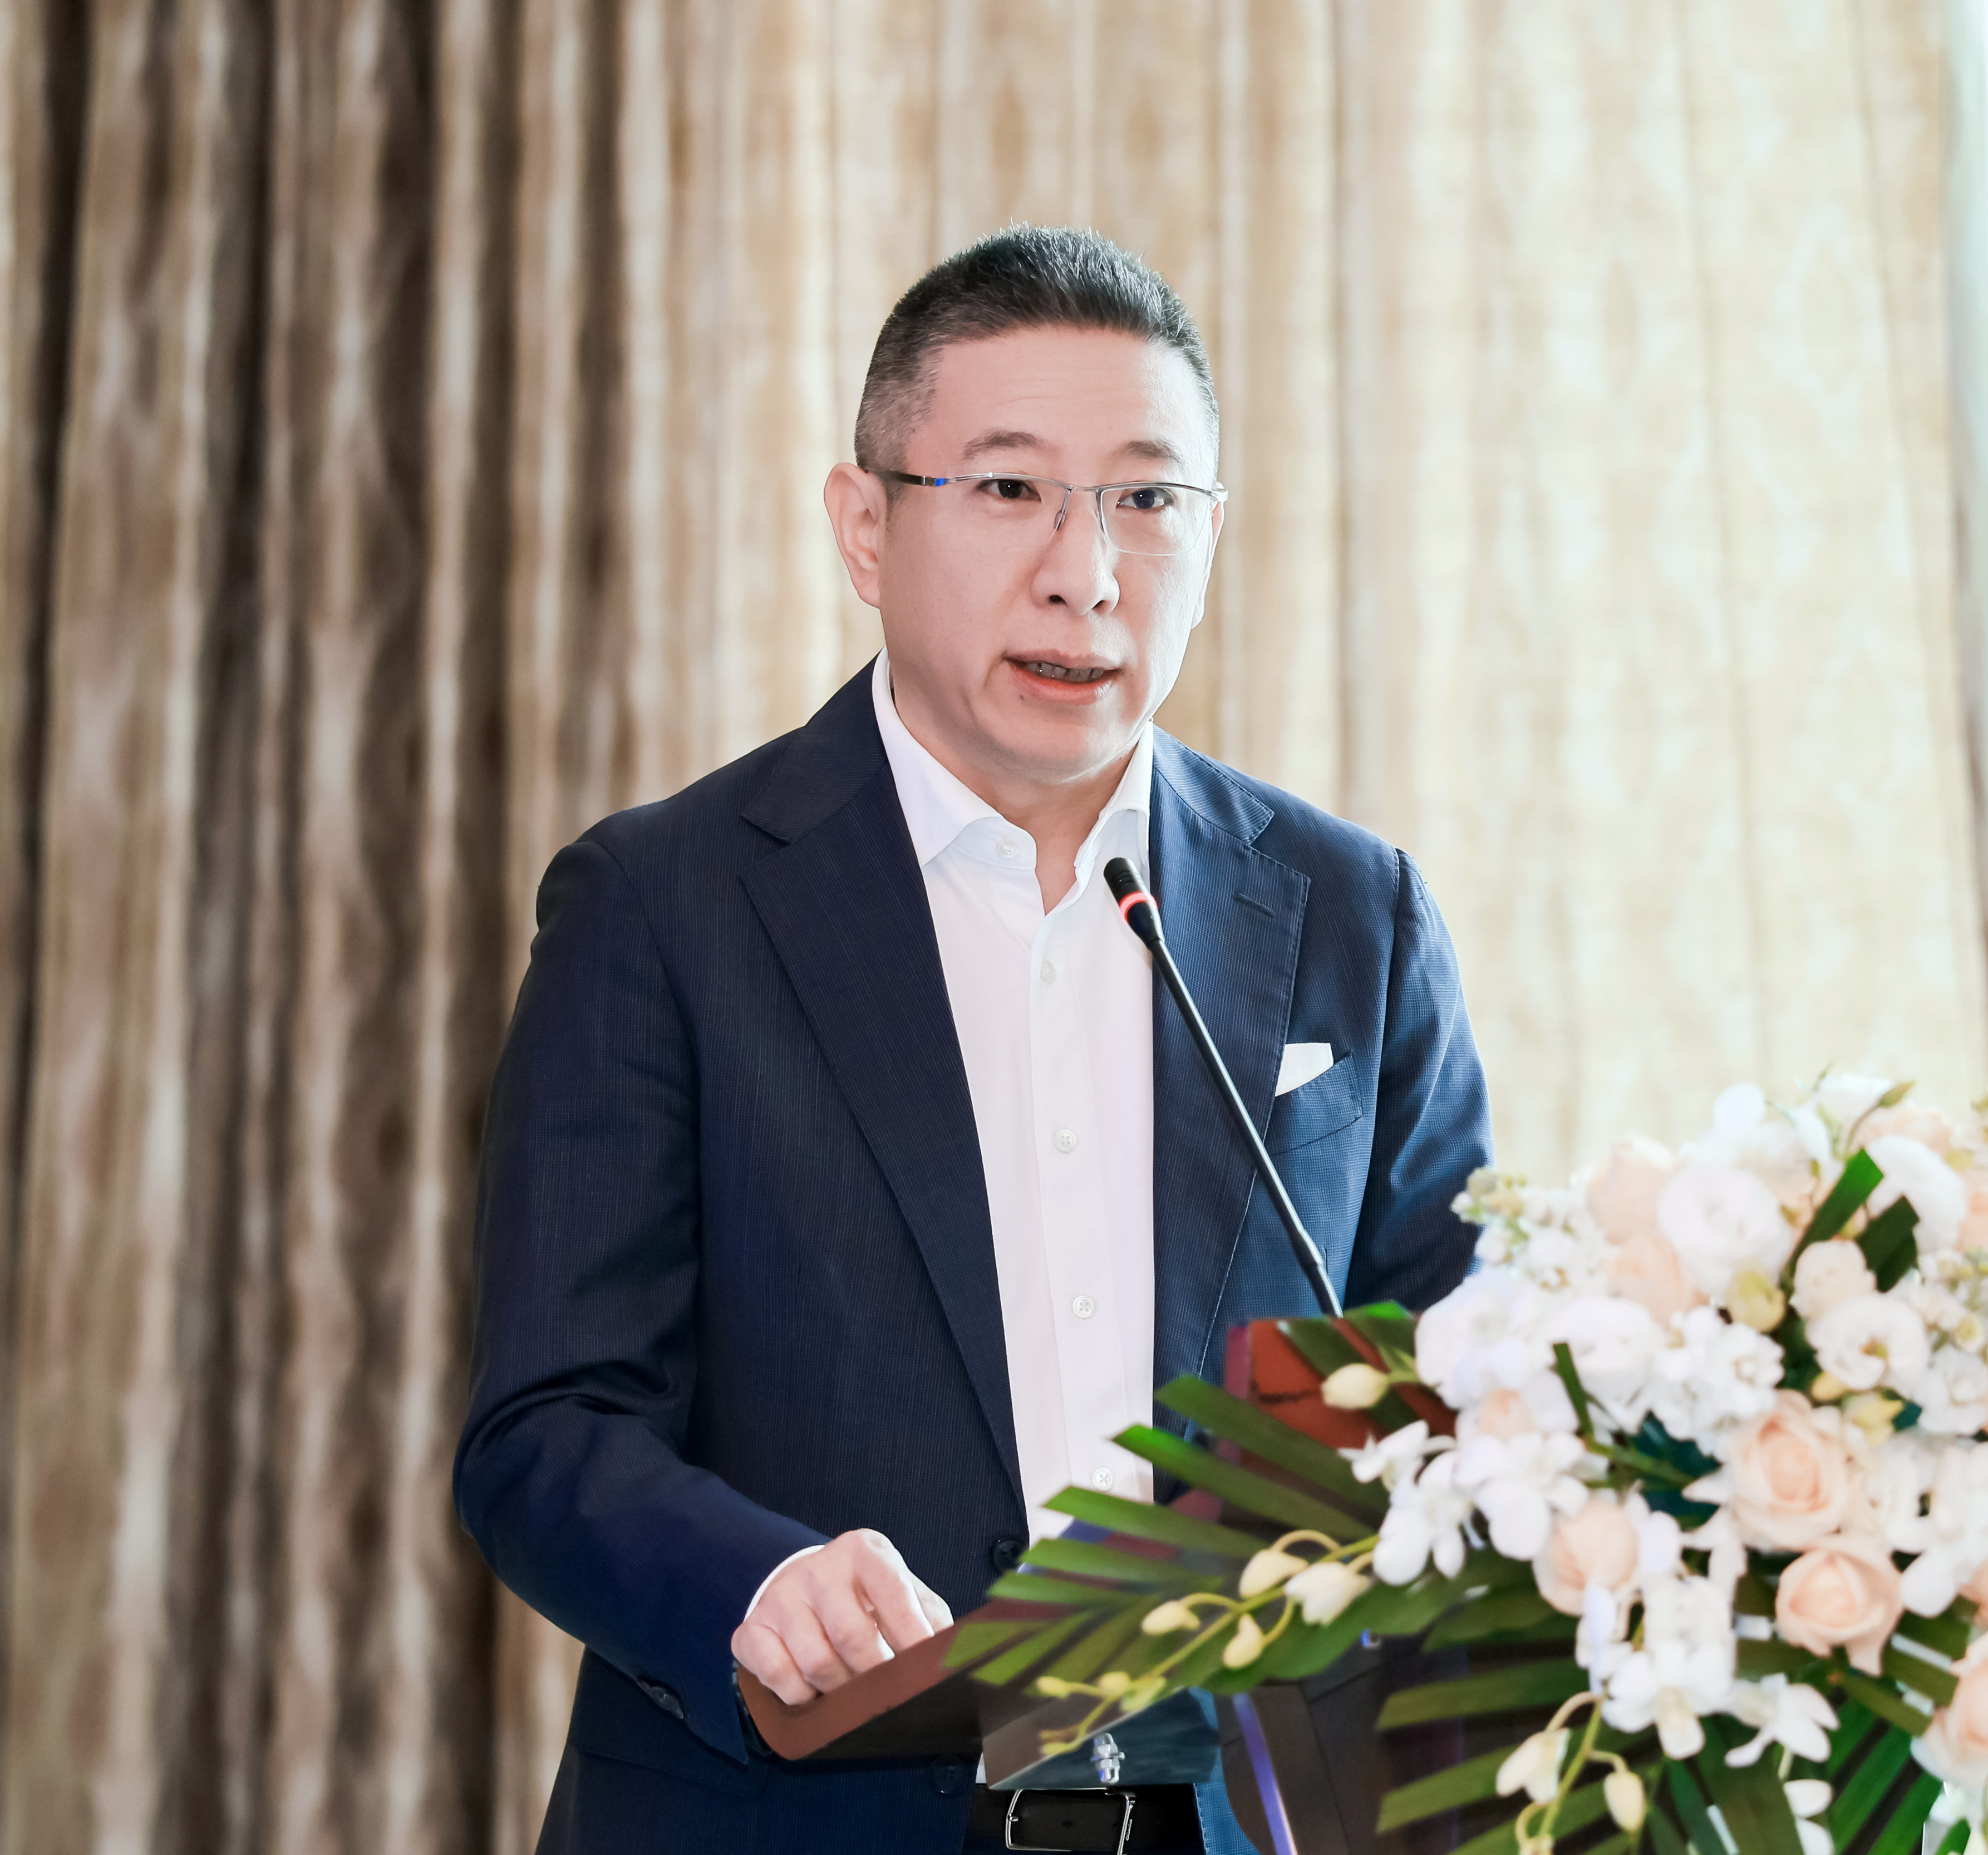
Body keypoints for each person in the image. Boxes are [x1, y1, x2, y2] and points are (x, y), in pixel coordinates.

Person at [454, 226, 1491, 1855]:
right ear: (864, 527)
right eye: (1011, 490)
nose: (1088, 572)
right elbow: (548, 1428)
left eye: (1149, 500)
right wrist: (756, 1582)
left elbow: (1459, 1370)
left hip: (1242, 1819)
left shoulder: (1353, 914)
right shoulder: (663, 907)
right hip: (802, 1819)